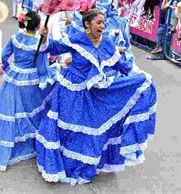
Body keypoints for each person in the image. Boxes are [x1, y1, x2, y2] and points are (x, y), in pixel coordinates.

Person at [36, 10, 157, 185]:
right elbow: (54, 48)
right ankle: (62, 162)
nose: (102, 26)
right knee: (69, 126)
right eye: (99, 23)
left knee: (89, 126)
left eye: (103, 23)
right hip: (71, 89)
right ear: (87, 24)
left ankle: (82, 162)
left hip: (94, 90)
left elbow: (119, 64)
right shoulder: (77, 38)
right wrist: (45, 37)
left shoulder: (106, 42)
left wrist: (138, 75)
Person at [0, 11, 55, 171]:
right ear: (38, 27)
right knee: (29, 112)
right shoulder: (39, 43)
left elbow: (3, 56)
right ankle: (26, 142)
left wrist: (8, 68)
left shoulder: (16, 38)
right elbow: (42, 68)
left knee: (8, 111)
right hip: (29, 81)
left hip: (14, 76)